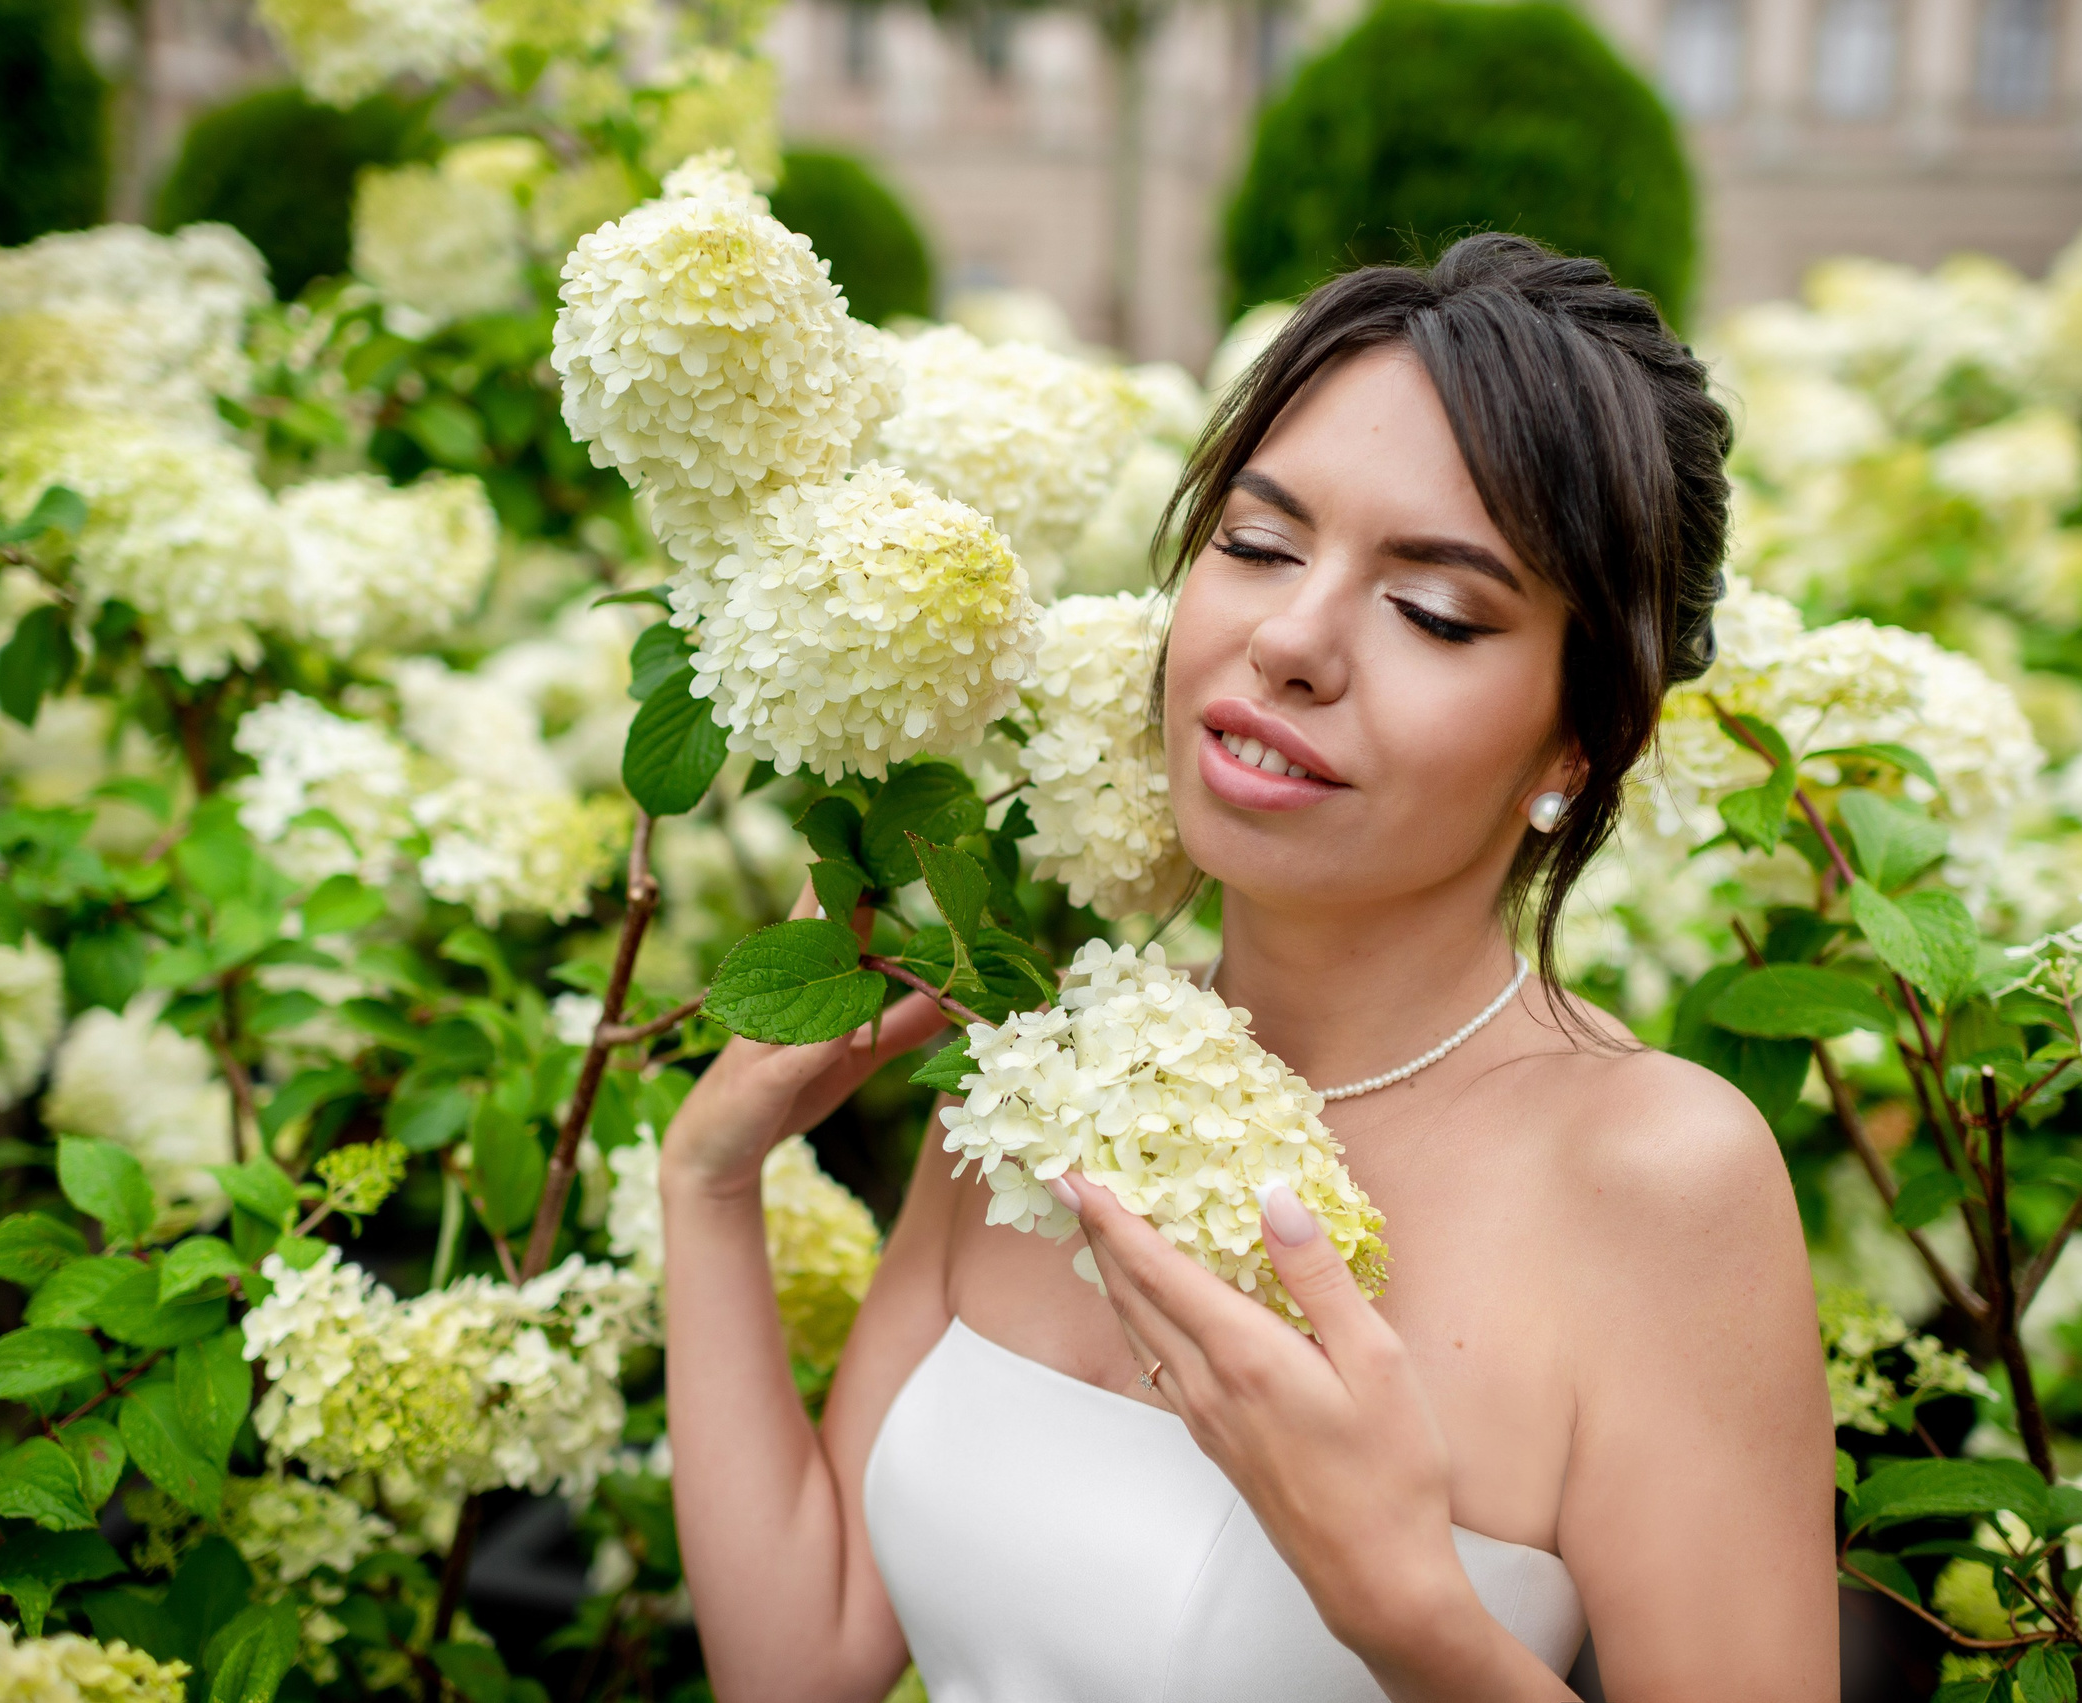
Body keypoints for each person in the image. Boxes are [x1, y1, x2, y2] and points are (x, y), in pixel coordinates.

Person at [657, 234, 1838, 1702]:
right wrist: (708, 1195)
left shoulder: (1655, 1177)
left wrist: (1409, 1611)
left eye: (1436, 610)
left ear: (1580, 742)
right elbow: (806, 1659)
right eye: (1259, 544)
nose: (1288, 640)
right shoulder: (1058, 1061)